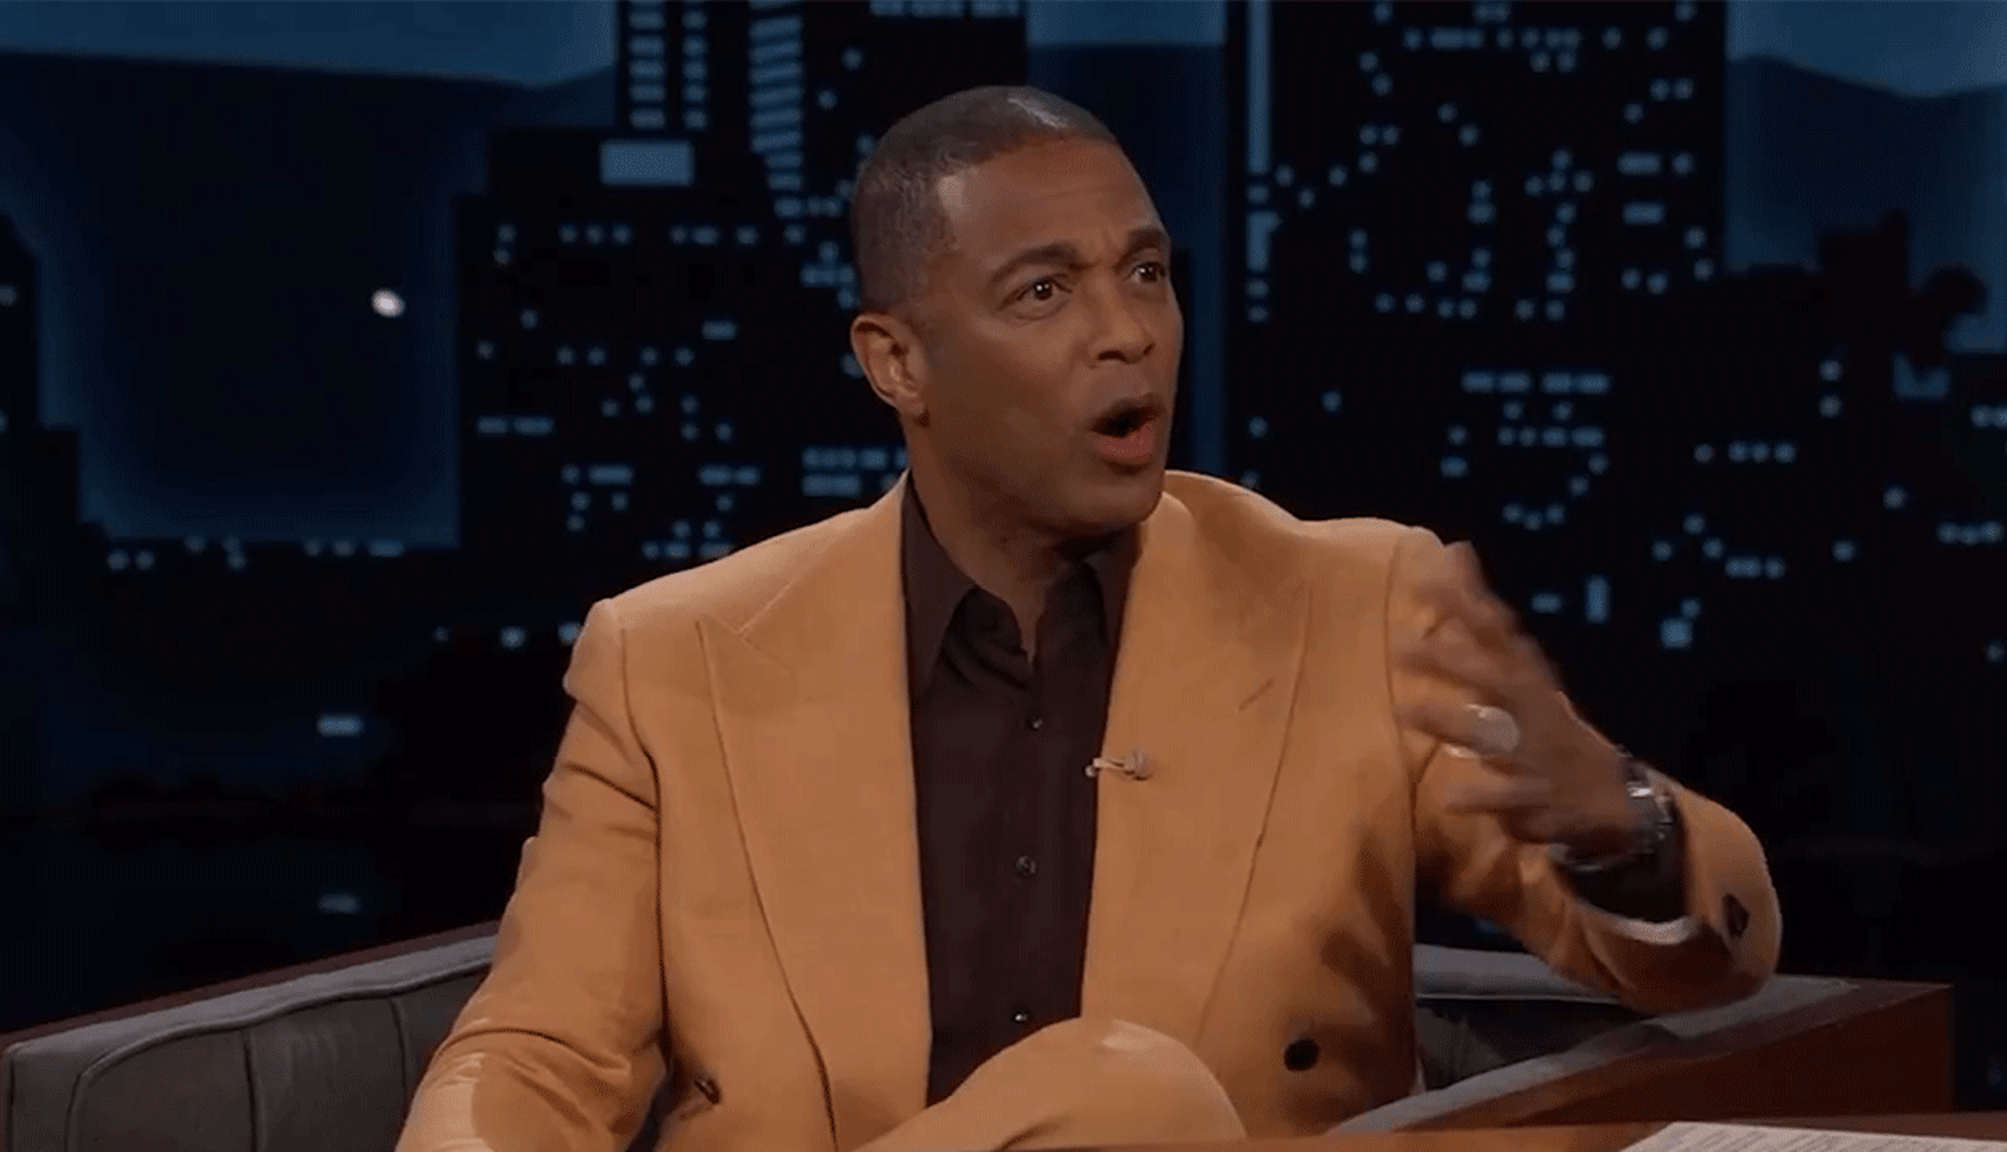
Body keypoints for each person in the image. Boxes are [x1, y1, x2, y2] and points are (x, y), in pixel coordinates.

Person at [396, 86, 1779, 1152]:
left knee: (1132, 1104)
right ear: (897, 362)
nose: (1129, 333)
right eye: (1046, 291)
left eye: (1148, 272)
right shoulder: (674, 660)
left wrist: (1622, 828)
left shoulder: (1354, 607)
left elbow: (1696, 963)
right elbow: (537, 1055)